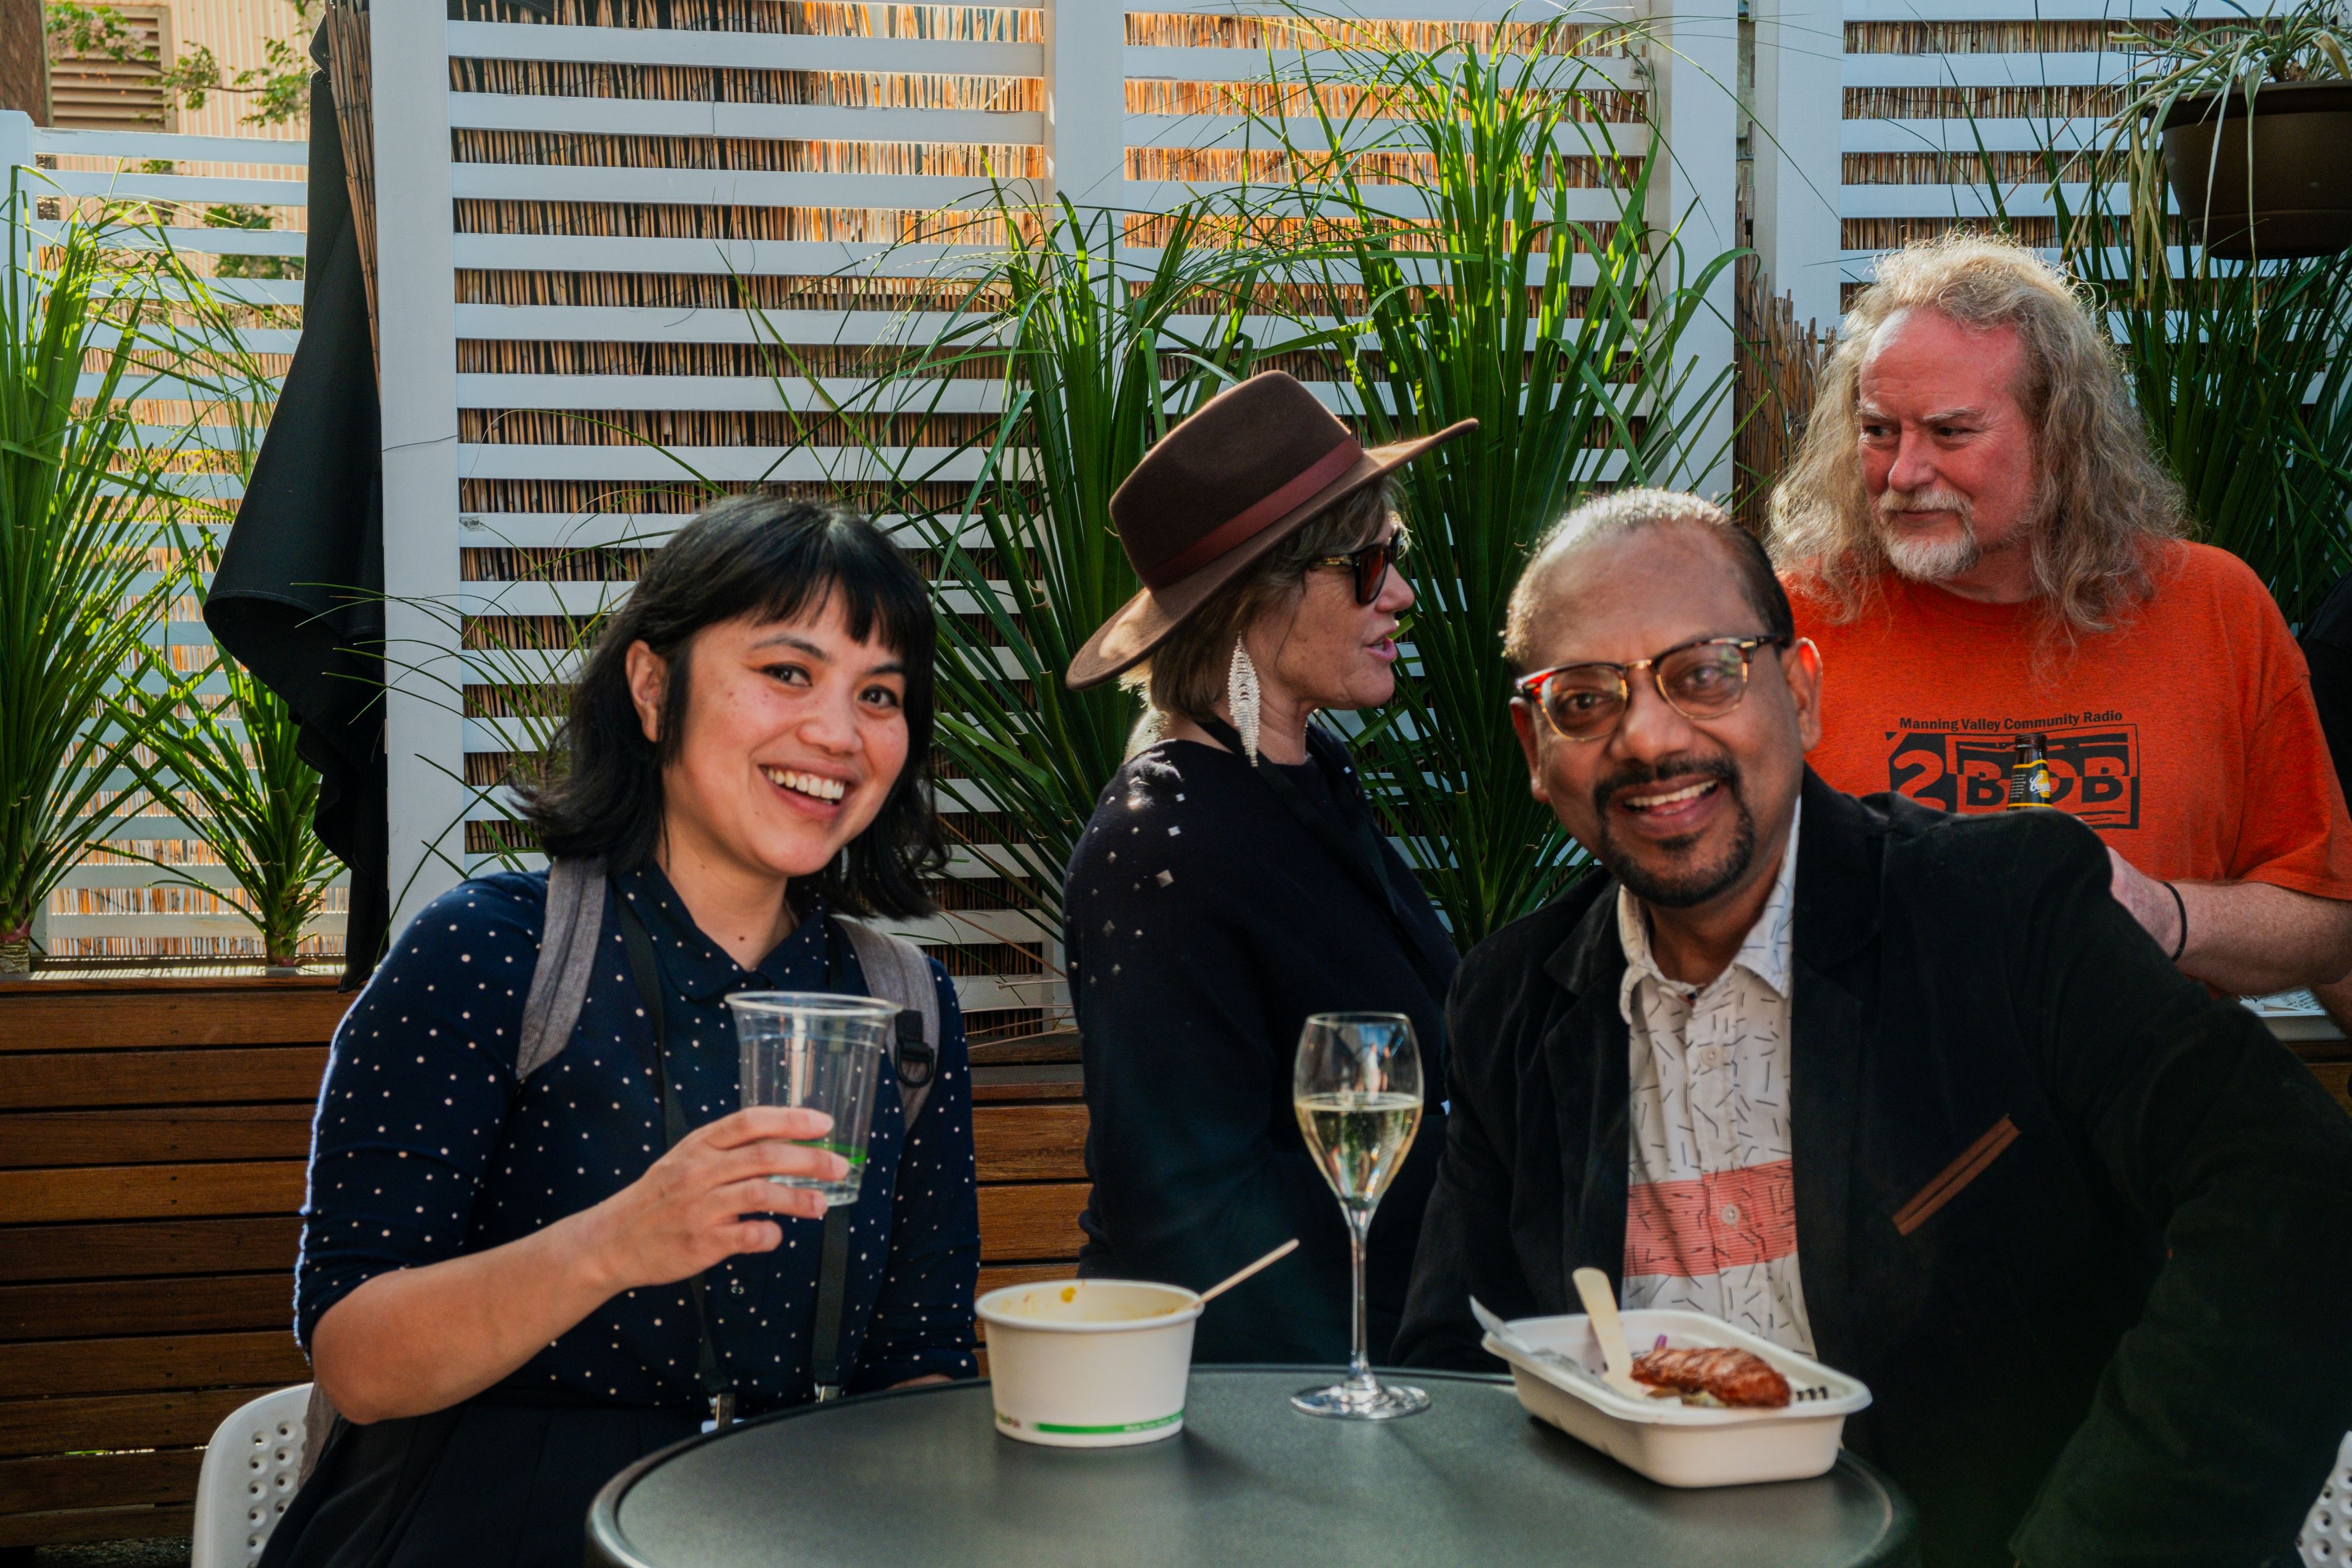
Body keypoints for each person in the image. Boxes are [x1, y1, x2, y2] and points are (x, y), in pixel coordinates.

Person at [1397, 488, 2352, 1568]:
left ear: (1801, 695)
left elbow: (2297, 1197)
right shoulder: (1515, 1002)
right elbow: (1453, 1369)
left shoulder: (2001, 910)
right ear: (1534, 746)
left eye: (1703, 672)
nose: (1650, 737)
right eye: (1584, 700)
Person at [263, 498, 979, 1568]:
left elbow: (917, 1358)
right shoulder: (491, 953)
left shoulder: (903, 1004)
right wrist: (616, 1241)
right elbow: (357, 1355)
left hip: (800, 1523)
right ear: (654, 688)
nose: (837, 734)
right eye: (788, 672)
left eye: (879, 695)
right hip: (497, 1524)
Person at [1768, 233, 2352, 997]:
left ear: (2061, 437)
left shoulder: (2215, 608)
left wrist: (2163, 916)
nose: (1903, 472)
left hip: (2143, 1103)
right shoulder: (1795, 617)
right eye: (1878, 431)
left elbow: (2327, 924)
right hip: (1872, 1106)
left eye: (1950, 432)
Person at [1060, 371, 1472, 1364]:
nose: (1403, 593)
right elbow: (1189, 1227)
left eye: (1397, 555)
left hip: (1385, 1364)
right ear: (1258, 595)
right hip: (1262, 1412)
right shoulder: (1158, 848)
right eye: (1371, 563)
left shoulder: (1311, 779)